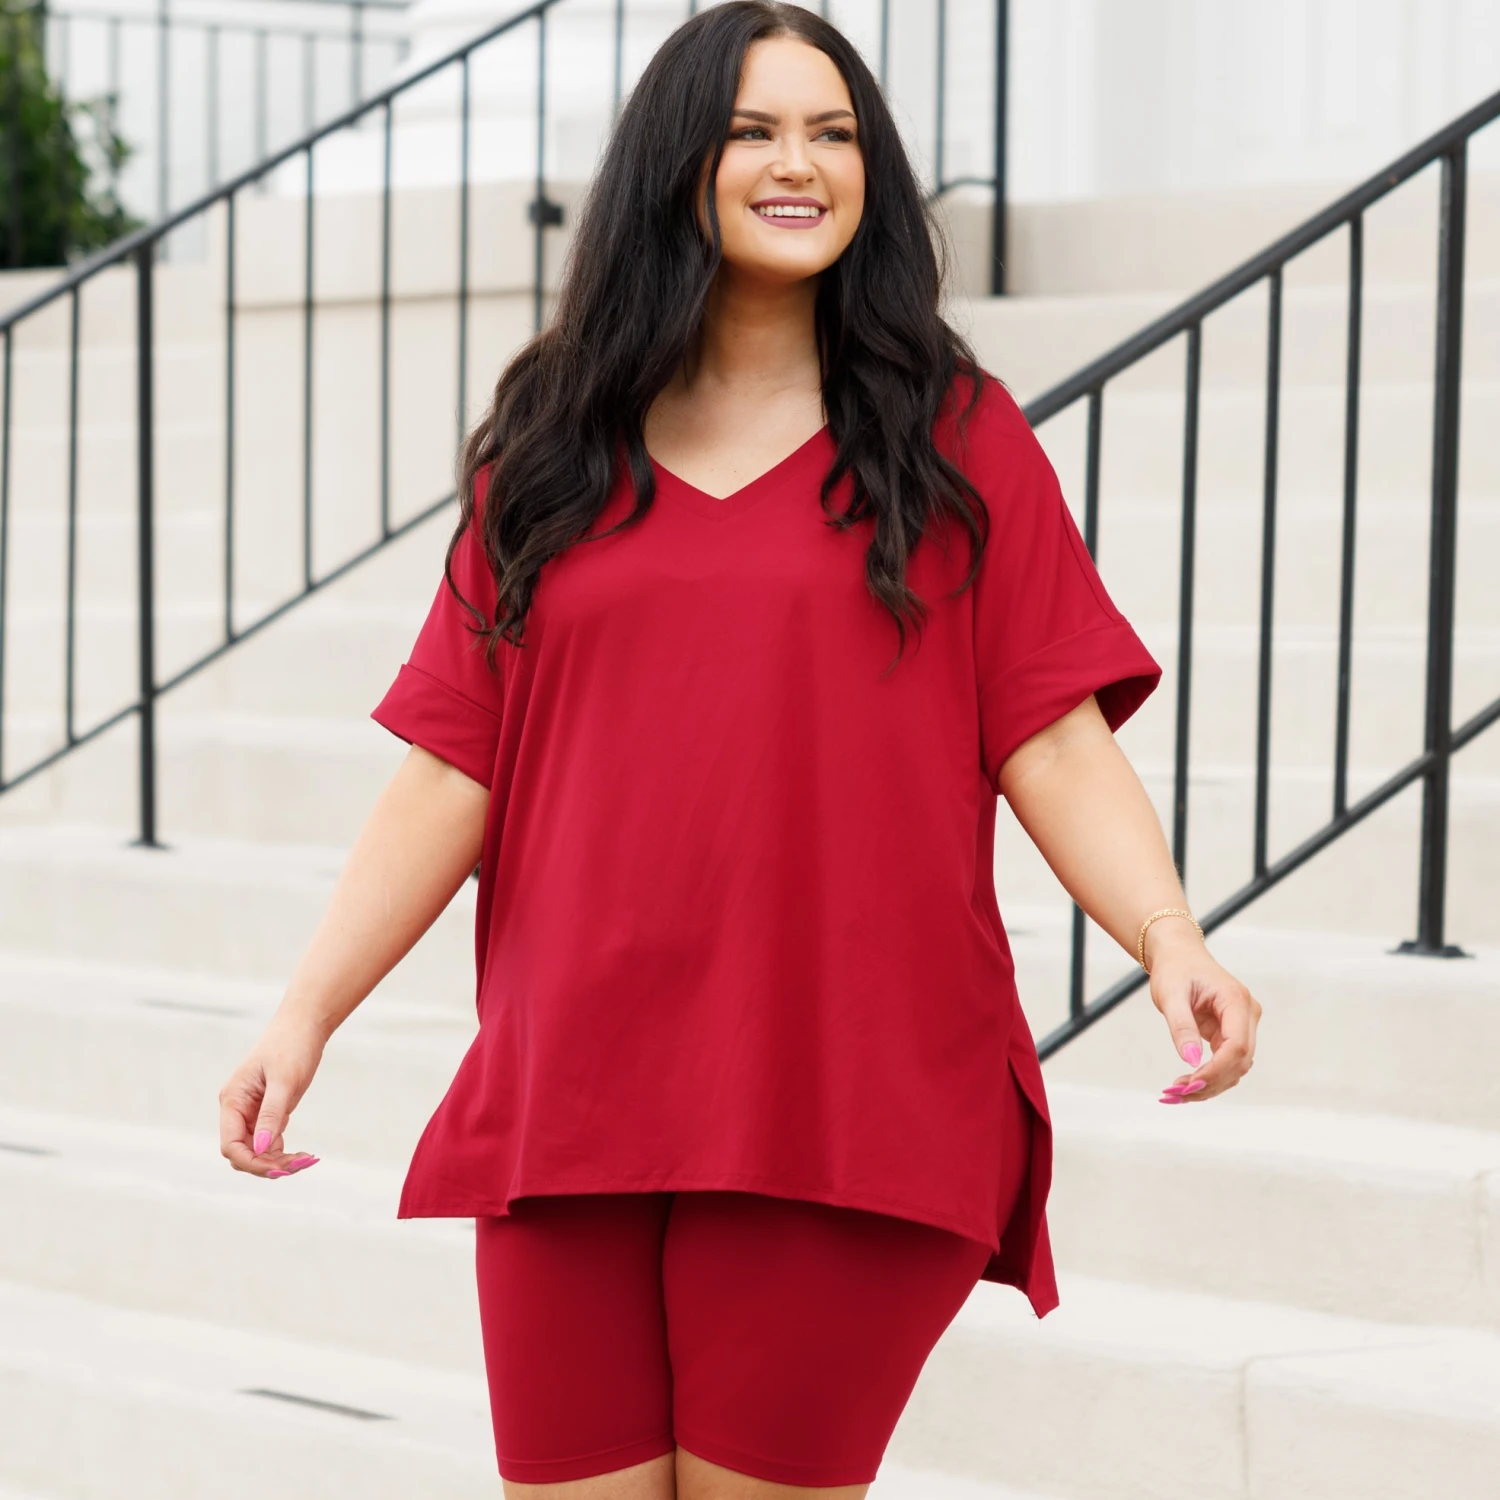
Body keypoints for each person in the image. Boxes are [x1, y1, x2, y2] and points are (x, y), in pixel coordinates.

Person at [219, 4, 1261, 1496]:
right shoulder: (552, 451)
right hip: (573, 1092)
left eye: (834, 134)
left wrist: (1166, 934)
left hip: (844, 1092)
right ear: (676, 166)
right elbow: (456, 765)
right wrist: (302, 1016)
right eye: (753, 131)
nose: (799, 164)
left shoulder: (955, 443)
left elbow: (1050, 733)